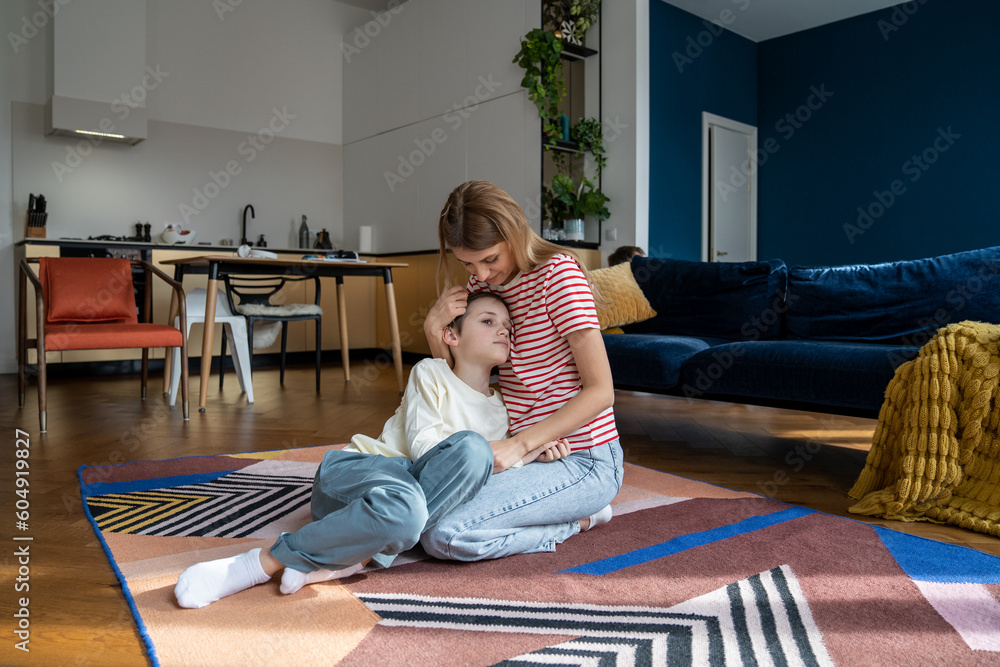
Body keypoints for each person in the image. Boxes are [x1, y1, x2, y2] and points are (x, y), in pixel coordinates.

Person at [174, 292, 567, 608]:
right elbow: (427, 449)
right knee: (457, 464)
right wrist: (497, 454)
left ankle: (347, 557)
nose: (504, 331)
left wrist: (528, 454)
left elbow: (474, 484)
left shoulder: (502, 413)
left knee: (420, 501)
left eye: (509, 327)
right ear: (452, 336)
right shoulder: (431, 373)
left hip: (398, 512)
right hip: (359, 473)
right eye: (488, 321)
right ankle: (258, 564)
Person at [421, 180, 624, 562]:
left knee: (444, 535)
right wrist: (436, 333)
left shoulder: (558, 277)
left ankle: (580, 519)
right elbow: (464, 385)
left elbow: (601, 391)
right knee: (420, 512)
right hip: (526, 453)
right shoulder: (484, 284)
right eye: (467, 263)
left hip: (585, 459)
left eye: (490, 259)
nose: (480, 274)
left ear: (513, 233)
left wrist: (520, 445)